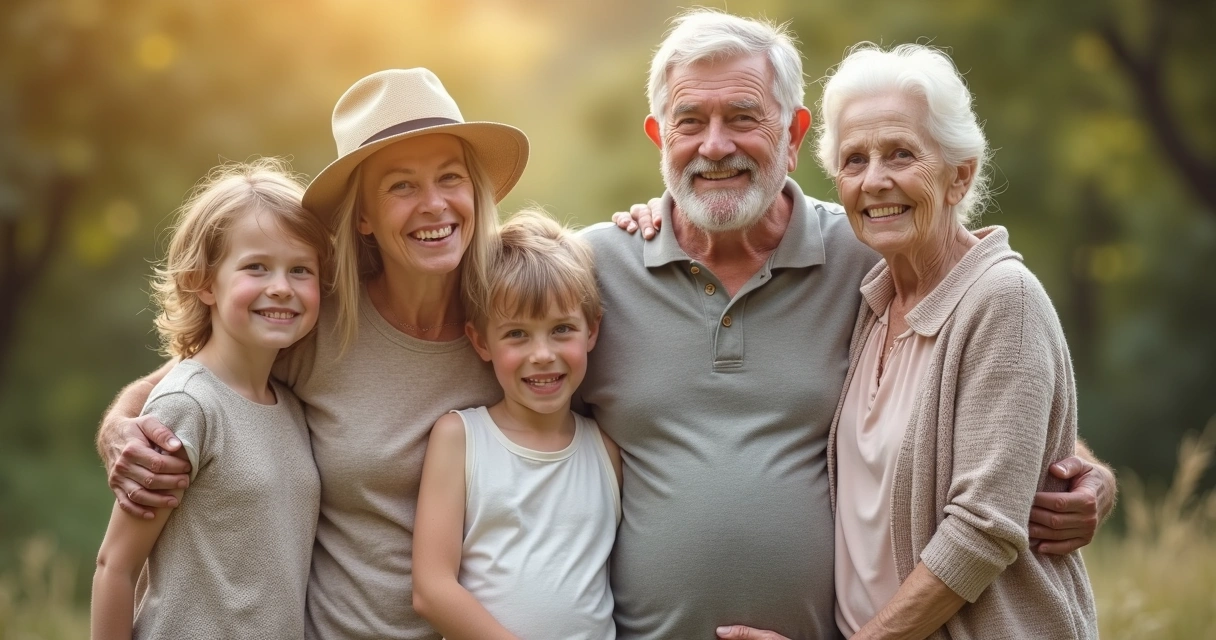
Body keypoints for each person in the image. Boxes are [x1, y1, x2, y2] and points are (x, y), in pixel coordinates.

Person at [590, 9, 1115, 640]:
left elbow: (999, 400)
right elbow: (508, 409)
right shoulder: (595, 271)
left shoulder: (868, 255)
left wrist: (1085, 475)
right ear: (659, 137)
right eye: (691, 122)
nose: (715, 145)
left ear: (791, 133)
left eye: (743, 117)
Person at [94, 69, 529, 639]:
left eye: (451, 178)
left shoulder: (514, 322)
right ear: (364, 216)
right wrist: (120, 426)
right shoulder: (316, 321)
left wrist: (651, 219)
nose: (434, 204)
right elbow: (193, 380)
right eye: (401, 185)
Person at [90, 159, 329, 639]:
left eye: (300, 269)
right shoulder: (187, 405)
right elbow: (114, 566)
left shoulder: (294, 407)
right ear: (203, 281)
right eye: (256, 267)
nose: (281, 286)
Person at [412, 209, 622, 639]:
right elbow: (432, 590)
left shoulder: (606, 449)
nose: (542, 354)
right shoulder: (460, 439)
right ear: (480, 341)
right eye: (517, 334)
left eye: (562, 329)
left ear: (592, 332)